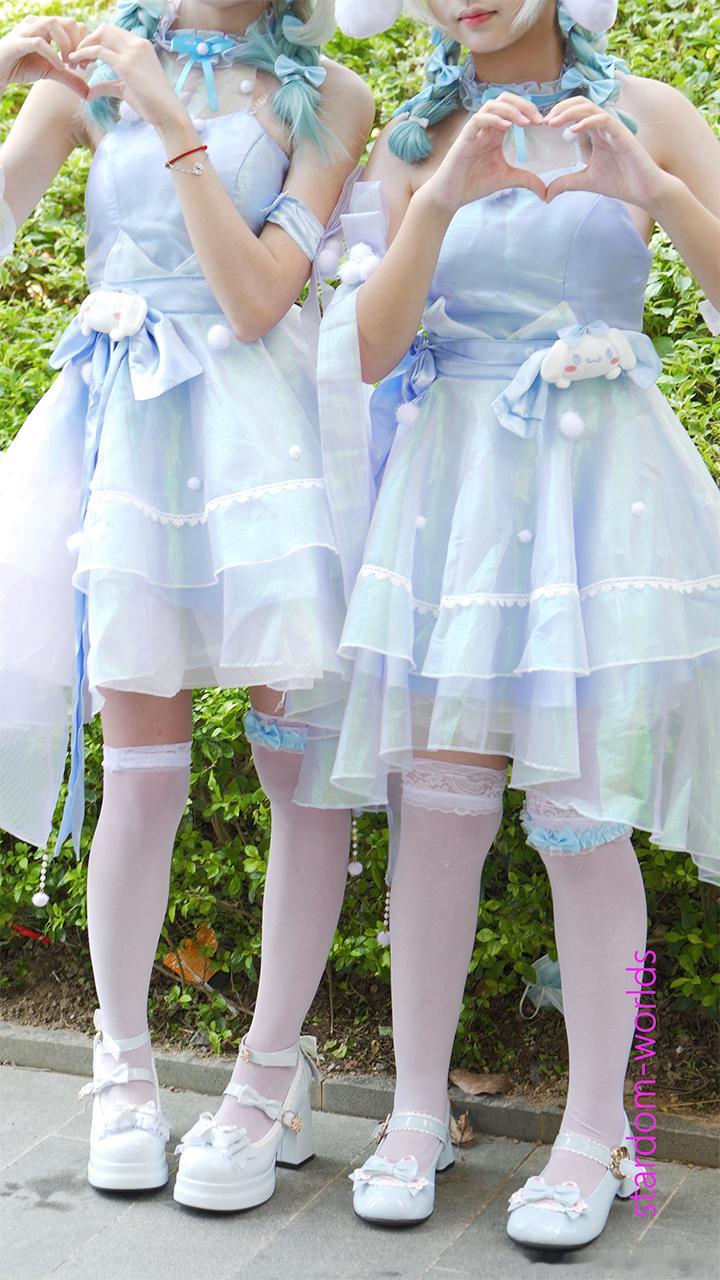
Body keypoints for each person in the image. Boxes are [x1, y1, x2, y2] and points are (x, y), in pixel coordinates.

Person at [310, 0, 720, 1243]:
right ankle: (415, 1113)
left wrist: (652, 187)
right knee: (437, 811)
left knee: (582, 818)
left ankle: (597, 1131)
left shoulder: (651, 110)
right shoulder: (416, 134)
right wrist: (439, 197)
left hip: (599, 496)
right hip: (457, 495)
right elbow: (370, 351)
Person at [0, 0, 373, 1202]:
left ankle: (268, 1074)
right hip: (126, 438)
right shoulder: (89, 65)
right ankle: (121, 1062)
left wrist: (170, 119)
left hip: (267, 441)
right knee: (141, 772)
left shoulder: (332, 94)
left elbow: (259, 299)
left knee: (297, 767)